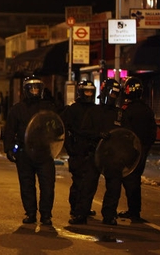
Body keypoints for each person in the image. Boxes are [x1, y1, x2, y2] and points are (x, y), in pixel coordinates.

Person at [3, 75, 61, 225]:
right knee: (27, 185)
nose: (35, 91)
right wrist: (9, 149)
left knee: (47, 185)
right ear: (26, 90)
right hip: (24, 152)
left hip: (44, 152)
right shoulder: (18, 109)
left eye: (37, 88)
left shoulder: (48, 107)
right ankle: (30, 213)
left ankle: (46, 214)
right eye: (32, 88)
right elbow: (10, 130)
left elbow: (57, 126)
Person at [80, 78, 124, 225]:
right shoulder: (94, 111)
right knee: (88, 185)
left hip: (113, 156)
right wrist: (98, 135)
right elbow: (84, 131)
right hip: (95, 153)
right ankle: (82, 214)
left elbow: (127, 134)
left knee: (114, 187)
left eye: (115, 94)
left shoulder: (119, 114)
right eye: (111, 93)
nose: (112, 97)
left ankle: (109, 215)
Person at [117, 76, 157, 222]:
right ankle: (134, 210)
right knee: (135, 180)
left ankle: (134, 212)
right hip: (142, 151)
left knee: (129, 181)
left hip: (129, 151)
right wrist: (145, 147)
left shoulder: (126, 110)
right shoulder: (147, 110)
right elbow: (153, 133)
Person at [62, 80, 100, 225]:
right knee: (78, 182)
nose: (89, 94)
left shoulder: (96, 110)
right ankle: (76, 208)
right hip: (77, 150)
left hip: (92, 151)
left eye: (91, 91)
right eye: (86, 91)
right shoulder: (73, 109)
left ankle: (83, 209)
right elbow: (63, 127)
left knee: (89, 183)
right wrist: (69, 147)